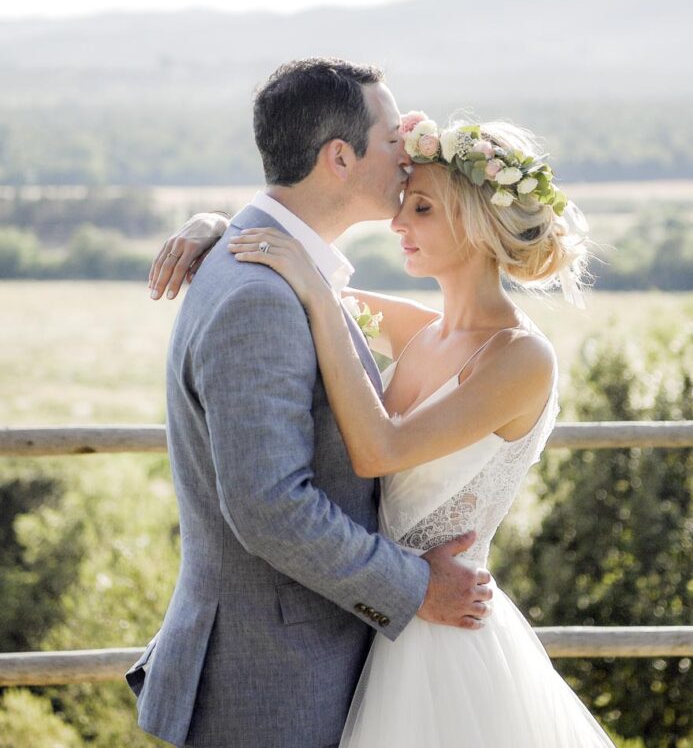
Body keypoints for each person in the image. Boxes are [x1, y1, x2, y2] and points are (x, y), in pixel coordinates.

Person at [175, 111, 615, 745]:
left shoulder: (520, 357)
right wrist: (220, 232)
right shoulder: (426, 329)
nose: (398, 223)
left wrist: (320, 298)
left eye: (423, 210)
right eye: (404, 204)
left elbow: (379, 450)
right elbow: (286, 270)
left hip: (444, 636)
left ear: (478, 223)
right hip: (380, 619)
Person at [127, 59, 493, 748]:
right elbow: (271, 508)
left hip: (287, 664)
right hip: (269, 681)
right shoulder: (257, 297)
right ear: (338, 157)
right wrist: (414, 588)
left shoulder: (269, 269)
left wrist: (216, 223)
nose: (407, 157)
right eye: (392, 139)